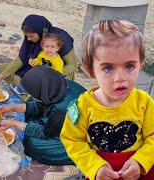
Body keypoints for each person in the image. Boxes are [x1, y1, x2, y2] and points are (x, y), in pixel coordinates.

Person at [60, 20, 154, 180]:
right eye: (108, 68)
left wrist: (140, 161)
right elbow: (72, 140)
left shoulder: (143, 101)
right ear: (92, 71)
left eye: (129, 66)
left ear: (140, 66)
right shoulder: (82, 106)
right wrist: (95, 166)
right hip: (102, 173)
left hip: (139, 172)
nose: (120, 78)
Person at [0, 65, 86, 165]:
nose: (31, 96)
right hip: (64, 119)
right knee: (34, 113)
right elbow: (40, 104)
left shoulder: (61, 109)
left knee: (32, 143)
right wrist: (11, 108)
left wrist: (15, 123)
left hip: (79, 137)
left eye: (34, 94)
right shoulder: (59, 85)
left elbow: (44, 133)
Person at [0, 14, 78, 101]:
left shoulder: (61, 37)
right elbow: (21, 58)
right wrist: (1, 77)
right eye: (27, 36)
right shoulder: (31, 39)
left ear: (40, 31)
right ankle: (32, 97)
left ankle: (36, 100)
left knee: (50, 90)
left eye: (31, 36)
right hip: (38, 69)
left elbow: (73, 66)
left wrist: (48, 77)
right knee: (3, 69)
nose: (28, 39)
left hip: (58, 74)